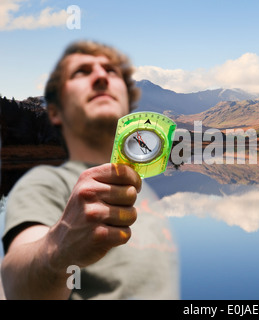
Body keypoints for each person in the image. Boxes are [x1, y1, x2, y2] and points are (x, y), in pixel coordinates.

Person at [1, 40, 180, 300]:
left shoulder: (146, 189)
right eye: (81, 72)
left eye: (112, 72)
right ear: (55, 112)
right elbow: (17, 285)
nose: (100, 76)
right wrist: (58, 246)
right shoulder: (45, 182)